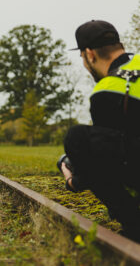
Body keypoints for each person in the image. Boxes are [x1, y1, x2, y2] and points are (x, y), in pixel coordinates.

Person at [60, 20, 140, 241]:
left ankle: (134, 225)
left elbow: (108, 165)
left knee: (77, 138)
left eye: (82, 58)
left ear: (89, 54)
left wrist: (74, 180)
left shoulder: (106, 91)